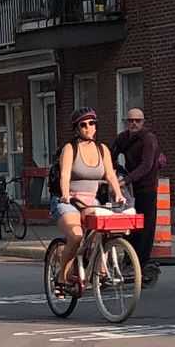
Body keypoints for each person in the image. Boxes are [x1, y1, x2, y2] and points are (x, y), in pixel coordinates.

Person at [51, 106, 131, 281]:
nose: (88, 127)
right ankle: (62, 277)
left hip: (90, 201)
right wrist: (65, 193)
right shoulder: (70, 148)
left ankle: (99, 270)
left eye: (91, 123)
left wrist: (118, 194)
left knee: (107, 228)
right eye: (83, 124)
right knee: (76, 236)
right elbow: (64, 174)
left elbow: (110, 174)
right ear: (77, 128)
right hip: (68, 200)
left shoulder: (102, 149)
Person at [114, 103, 167, 284]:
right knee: (129, 225)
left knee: (145, 227)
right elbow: (111, 154)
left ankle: (142, 262)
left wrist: (125, 180)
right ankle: (129, 260)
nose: (134, 124)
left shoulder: (148, 139)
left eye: (137, 121)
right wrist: (112, 172)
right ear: (126, 122)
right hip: (129, 190)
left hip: (146, 188)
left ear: (143, 122)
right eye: (130, 121)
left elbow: (146, 166)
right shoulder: (123, 138)